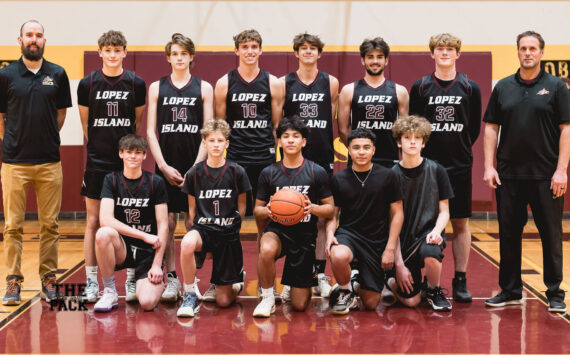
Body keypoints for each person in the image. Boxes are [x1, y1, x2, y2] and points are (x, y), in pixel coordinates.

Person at [483, 31, 570, 313]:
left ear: (542, 52)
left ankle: (555, 293)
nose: (528, 53)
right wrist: (488, 166)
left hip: (546, 176)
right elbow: (491, 128)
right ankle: (510, 290)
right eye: (523, 48)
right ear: (517, 52)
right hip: (509, 175)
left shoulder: (557, 87)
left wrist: (561, 170)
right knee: (508, 234)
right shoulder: (504, 87)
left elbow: (566, 130)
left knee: (551, 235)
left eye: (533, 48)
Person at [1, 20, 72, 305]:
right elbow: (2, 118)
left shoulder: (57, 73)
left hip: (49, 162)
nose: (34, 39)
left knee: (50, 225)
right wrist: (11, 143)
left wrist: (46, 137)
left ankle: (49, 278)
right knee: (13, 226)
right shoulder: (6, 75)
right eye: (29, 35)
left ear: (44, 40)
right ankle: (13, 281)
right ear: (19, 40)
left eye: (39, 35)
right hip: (14, 163)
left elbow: (61, 115)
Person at [409, 33, 482, 302]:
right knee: (423, 222)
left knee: (460, 223)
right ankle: (423, 277)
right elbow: (414, 128)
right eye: (440, 49)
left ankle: (460, 279)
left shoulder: (470, 87)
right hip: (426, 166)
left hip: (459, 165)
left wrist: (459, 148)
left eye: (450, 49)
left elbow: (472, 129)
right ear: (432, 54)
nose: (445, 53)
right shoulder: (420, 87)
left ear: (458, 54)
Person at [77, 30, 146, 303]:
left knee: (131, 218)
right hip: (97, 162)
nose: (113, 54)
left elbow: (136, 124)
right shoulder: (87, 83)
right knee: (93, 222)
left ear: (124, 53)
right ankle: (92, 281)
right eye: (108, 50)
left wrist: (126, 153)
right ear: (100, 52)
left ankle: (130, 279)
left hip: (126, 163)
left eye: (118, 50)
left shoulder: (136, 83)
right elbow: (86, 126)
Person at [146, 33, 214, 303]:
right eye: (174, 54)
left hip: (194, 164)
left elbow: (208, 132)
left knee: (192, 222)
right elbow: (150, 131)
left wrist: (195, 167)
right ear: (168, 57)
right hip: (166, 163)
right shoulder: (156, 87)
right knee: (169, 222)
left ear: (191, 57)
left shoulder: (204, 87)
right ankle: (172, 277)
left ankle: (191, 279)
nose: (179, 58)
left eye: (184, 54)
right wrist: (162, 165)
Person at [253, 116, 334, 317]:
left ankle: (294, 284)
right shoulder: (268, 172)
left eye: (295, 136)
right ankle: (268, 297)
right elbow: (257, 210)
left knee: (299, 305)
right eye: (285, 136)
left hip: (305, 237)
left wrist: (311, 208)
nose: (290, 140)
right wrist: (269, 210)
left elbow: (330, 209)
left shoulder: (317, 171)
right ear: (279, 141)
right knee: (266, 247)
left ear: (303, 141)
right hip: (278, 231)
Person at [281, 33, 339, 300]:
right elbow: (278, 126)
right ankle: (291, 275)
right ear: (296, 53)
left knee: (321, 218)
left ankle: (319, 274)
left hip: (323, 157)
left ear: (319, 53)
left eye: (312, 49)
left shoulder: (331, 83)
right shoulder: (284, 83)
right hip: (293, 161)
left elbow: (334, 117)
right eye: (303, 49)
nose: (307, 52)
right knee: (290, 216)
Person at [177, 119, 251, 317]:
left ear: (227, 143)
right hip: (204, 231)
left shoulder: (237, 171)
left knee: (224, 301)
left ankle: (236, 281)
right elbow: (191, 212)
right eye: (212, 140)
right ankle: (190, 293)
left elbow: (242, 208)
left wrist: (231, 228)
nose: (216, 145)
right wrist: (200, 239)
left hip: (227, 234)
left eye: (220, 140)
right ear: (204, 143)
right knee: (186, 243)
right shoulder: (194, 173)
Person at [325, 128, 404, 315]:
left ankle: (356, 280)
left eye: (366, 147)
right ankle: (345, 289)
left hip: (375, 240)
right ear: (349, 151)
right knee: (338, 255)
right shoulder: (338, 179)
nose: (361, 152)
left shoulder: (388, 176)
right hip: (349, 235)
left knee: (370, 304)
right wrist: (329, 235)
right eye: (356, 147)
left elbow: (398, 213)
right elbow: (332, 214)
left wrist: (390, 248)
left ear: (374, 150)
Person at [93, 134, 168, 312]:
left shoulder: (155, 182)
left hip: (147, 253)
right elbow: (105, 219)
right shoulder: (111, 180)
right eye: (128, 152)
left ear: (144, 156)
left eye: (138, 152)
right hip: (123, 248)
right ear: (121, 154)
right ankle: (110, 291)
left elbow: (163, 225)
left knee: (148, 303)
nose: (133, 156)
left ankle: (148, 281)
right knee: (103, 234)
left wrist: (157, 263)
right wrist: (143, 235)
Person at [214, 29, 284, 217]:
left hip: (264, 155)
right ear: (236, 51)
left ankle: (264, 247)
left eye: (254, 47)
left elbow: (277, 125)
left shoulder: (273, 82)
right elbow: (221, 127)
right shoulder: (224, 83)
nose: (250, 51)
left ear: (261, 50)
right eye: (245, 47)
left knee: (265, 214)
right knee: (235, 212)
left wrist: (271, 149)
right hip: (237, 154)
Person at [388, 115, 454, 312]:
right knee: (411, 302)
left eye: (417, 137)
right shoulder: (391, 175)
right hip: (403, 242)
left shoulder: (437, 170)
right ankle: (390, 281)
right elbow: (392, 223)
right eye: (407, 137)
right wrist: (399, 265)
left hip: (427, 235)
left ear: (424, 142)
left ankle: (433, 290)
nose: (413, 141)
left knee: (431, 253)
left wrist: (437, 230)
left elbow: (444, 211)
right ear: (399, 142)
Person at [337, 37, 409, 168]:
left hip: (389, 160)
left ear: (386, 60)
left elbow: (404, 132)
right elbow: (342, 130)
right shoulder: (349, 90)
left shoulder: (400, 91)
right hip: (358, 161)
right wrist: (358, 150)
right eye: (370, 57)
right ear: (362, 60)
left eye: (379, 57)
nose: (375, 61)